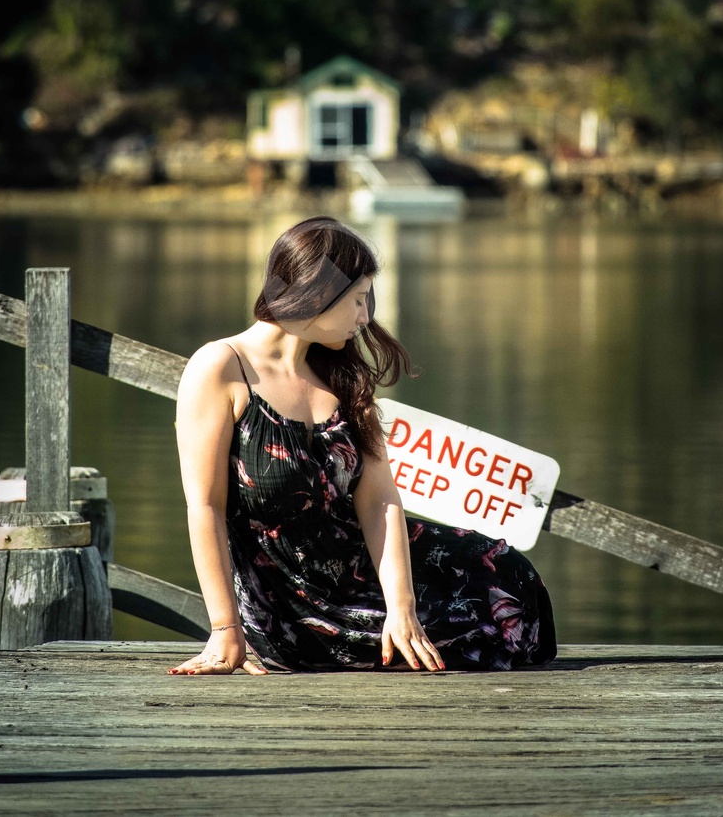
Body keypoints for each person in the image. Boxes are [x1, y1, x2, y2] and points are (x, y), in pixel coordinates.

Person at [169, 216, 556, 676]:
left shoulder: (341, 376)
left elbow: (379, 501)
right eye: (356, 300)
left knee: (511, 577)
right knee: (486, 628)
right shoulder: (220, 368)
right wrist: (223, 630)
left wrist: (402, 607)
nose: (365, 316)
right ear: (316, 292)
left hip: (365, 570)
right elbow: (205, 507)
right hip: (295, 606)